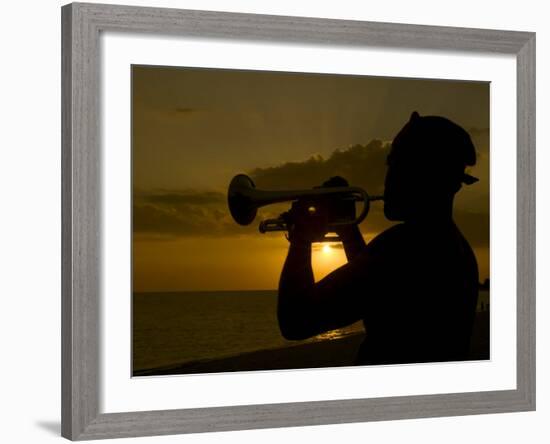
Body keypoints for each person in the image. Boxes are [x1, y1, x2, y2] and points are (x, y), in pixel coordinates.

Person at [277, 111, 480, 365]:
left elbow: (295, 321)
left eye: (395, 164)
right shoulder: (455, 246)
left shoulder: (404, 246)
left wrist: (300, 239)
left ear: (422, 174)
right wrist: (348, 231)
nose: (388, 179)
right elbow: (376, 293)